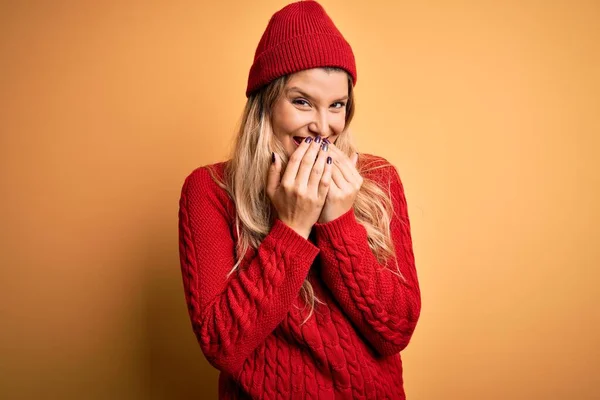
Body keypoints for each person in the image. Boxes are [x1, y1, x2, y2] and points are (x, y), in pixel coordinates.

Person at [177, 1, 421, 398]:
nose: (322, 127)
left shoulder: (377, 181)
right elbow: (222, 345)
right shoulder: (210, 190)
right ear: (265, 104)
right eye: (302, 101)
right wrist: (291, 228)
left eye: (337, 105)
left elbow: (396, 330)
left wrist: (339, 223)